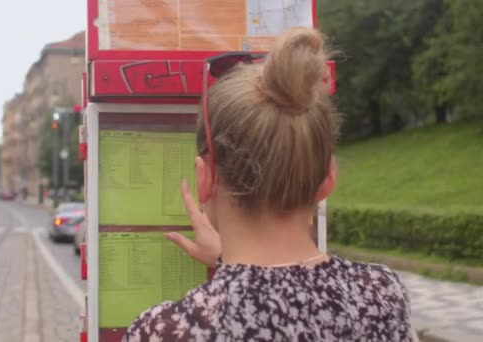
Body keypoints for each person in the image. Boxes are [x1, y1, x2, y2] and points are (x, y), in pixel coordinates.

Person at [123, 27, 416, 341]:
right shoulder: (381, 296)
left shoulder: (165, 331)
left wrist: (228, 267)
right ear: (328, 179)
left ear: (205, 179)